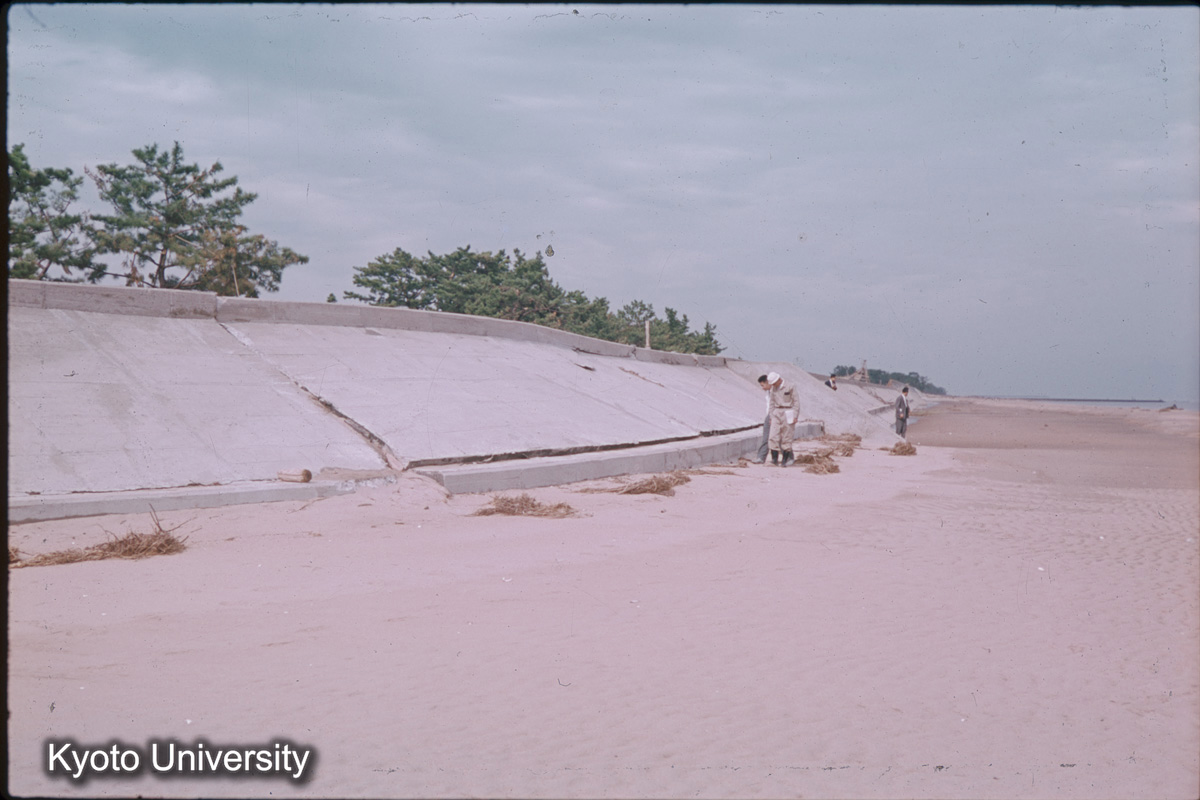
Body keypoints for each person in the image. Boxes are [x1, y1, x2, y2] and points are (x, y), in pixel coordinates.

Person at [766, 372, 797, 467]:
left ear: (779, 380)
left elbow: (796, 402)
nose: (774, 385)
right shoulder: (773, 389)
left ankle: (785, 459)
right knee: (773, 436)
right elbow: (771, 403)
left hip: (788, 411)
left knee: (787, 436)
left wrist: (795, 416)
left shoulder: (790, 386)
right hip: (776, 411)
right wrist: (771, 416)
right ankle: (774, 459)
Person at [755, 375, 771, 464]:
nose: (762, 388)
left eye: (762, 385)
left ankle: (788, 457)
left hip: (777, 416)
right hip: (769, 415)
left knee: (781, 439)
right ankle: (761, 457)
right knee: (766, 437)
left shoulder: (776, 391)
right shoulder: (768, 392)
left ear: (767, 382)